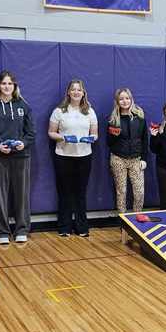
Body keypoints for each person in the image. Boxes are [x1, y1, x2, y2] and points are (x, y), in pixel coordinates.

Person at [0, 70, 35, 245]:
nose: (7, 86)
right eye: (4, 83)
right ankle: (2, 231)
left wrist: (23, 144)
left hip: (21, 156)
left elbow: (31, 133)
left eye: (10, 83)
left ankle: (21, 229)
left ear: (15, 86)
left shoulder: (23, 106)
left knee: (22, 194)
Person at [48, 79, 98, 237]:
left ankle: (82, 227)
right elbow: (51, 132)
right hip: (63, 156)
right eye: (73, 89)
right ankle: (64, 227)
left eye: (79, 90)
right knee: (65, 192)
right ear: (68, 92)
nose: (76, 92)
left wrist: (91, 139)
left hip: (84, 156)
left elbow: (95, 134)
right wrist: (63, 138)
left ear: (83, 93)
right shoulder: (59, 111)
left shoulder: (89, 111)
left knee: (80, 192)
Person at [107, 87, 148, 216]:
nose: (124, 101)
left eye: (127, 98)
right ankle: (123, 222)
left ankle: (137, 220)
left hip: (136, 159)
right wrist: (114, 134)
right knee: (121, 191)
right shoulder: (113, 119)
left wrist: (144, 159)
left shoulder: (139, 117)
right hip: (118, 158)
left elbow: (144, 140)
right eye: (121, 99)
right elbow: (109, 143)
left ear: (131, 99)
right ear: (117, 101)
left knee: (139, 192)